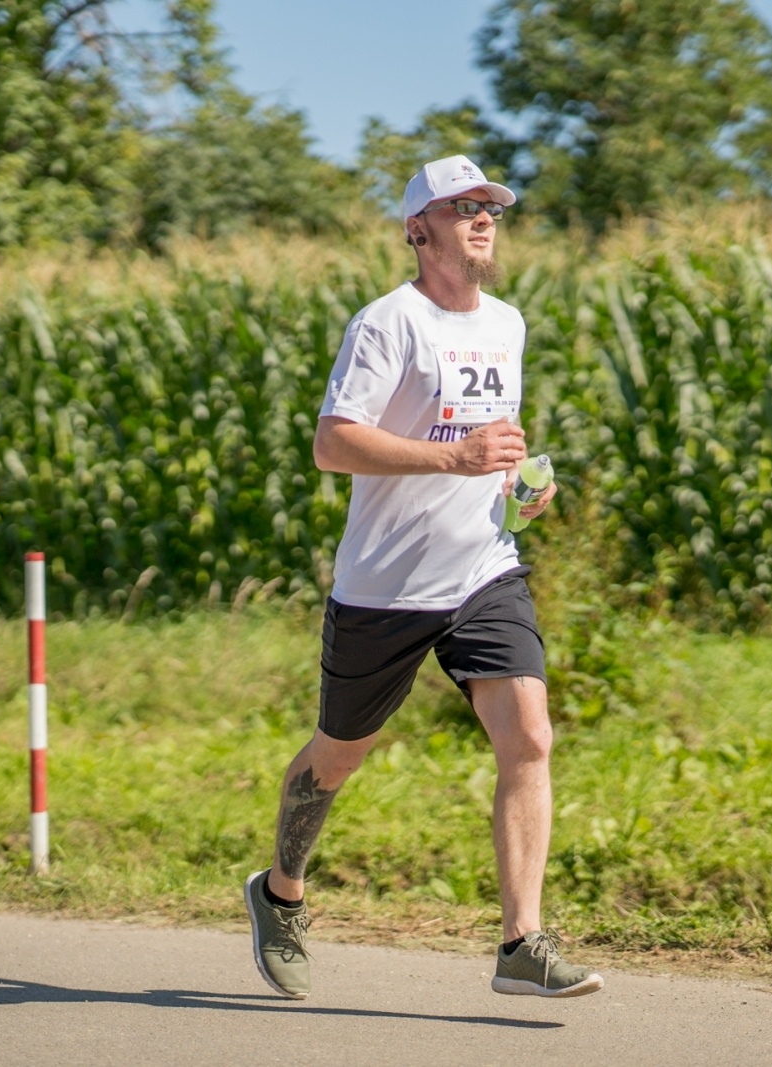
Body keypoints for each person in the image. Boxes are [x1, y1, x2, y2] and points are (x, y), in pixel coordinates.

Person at [242, 155, 603, 1001]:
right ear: (418, 228)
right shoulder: (387, 323)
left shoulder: (506, 323)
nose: (483, 218)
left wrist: (524, 481)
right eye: (462, 206)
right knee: (338, 756)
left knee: (531, 735)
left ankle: (522, 941)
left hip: (484, 568)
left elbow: (495, 437)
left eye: (492, 207)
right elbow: (334, 443)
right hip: (385, 586)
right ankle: (280, 892)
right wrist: (457, 456)